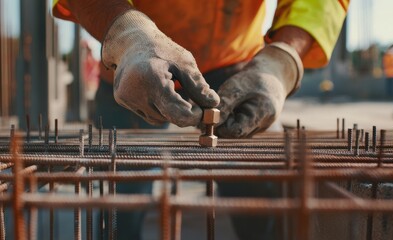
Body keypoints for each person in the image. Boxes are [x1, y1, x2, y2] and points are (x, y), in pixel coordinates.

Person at [52, 0, 349, 239]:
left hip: (233, 63)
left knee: (258, 203)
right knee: (118, 209)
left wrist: (283, 58)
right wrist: (127, 33)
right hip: (130, 63)